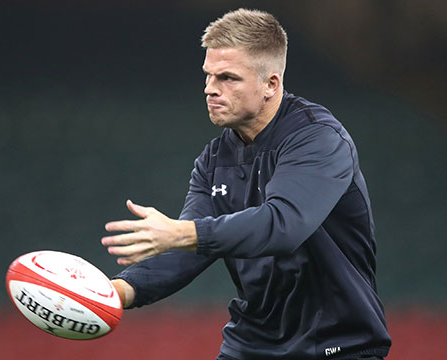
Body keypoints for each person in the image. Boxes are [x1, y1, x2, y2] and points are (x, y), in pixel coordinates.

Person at [101, 8, 391, 360]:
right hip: (251, 345)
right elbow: (189, 250)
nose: (210, 89)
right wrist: (114, 291)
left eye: (227, 78)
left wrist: (182, 233)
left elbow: (283, 225)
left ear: (271, 84)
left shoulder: (318, 138)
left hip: (336, 345)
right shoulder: (213, 160)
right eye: (208, 76)